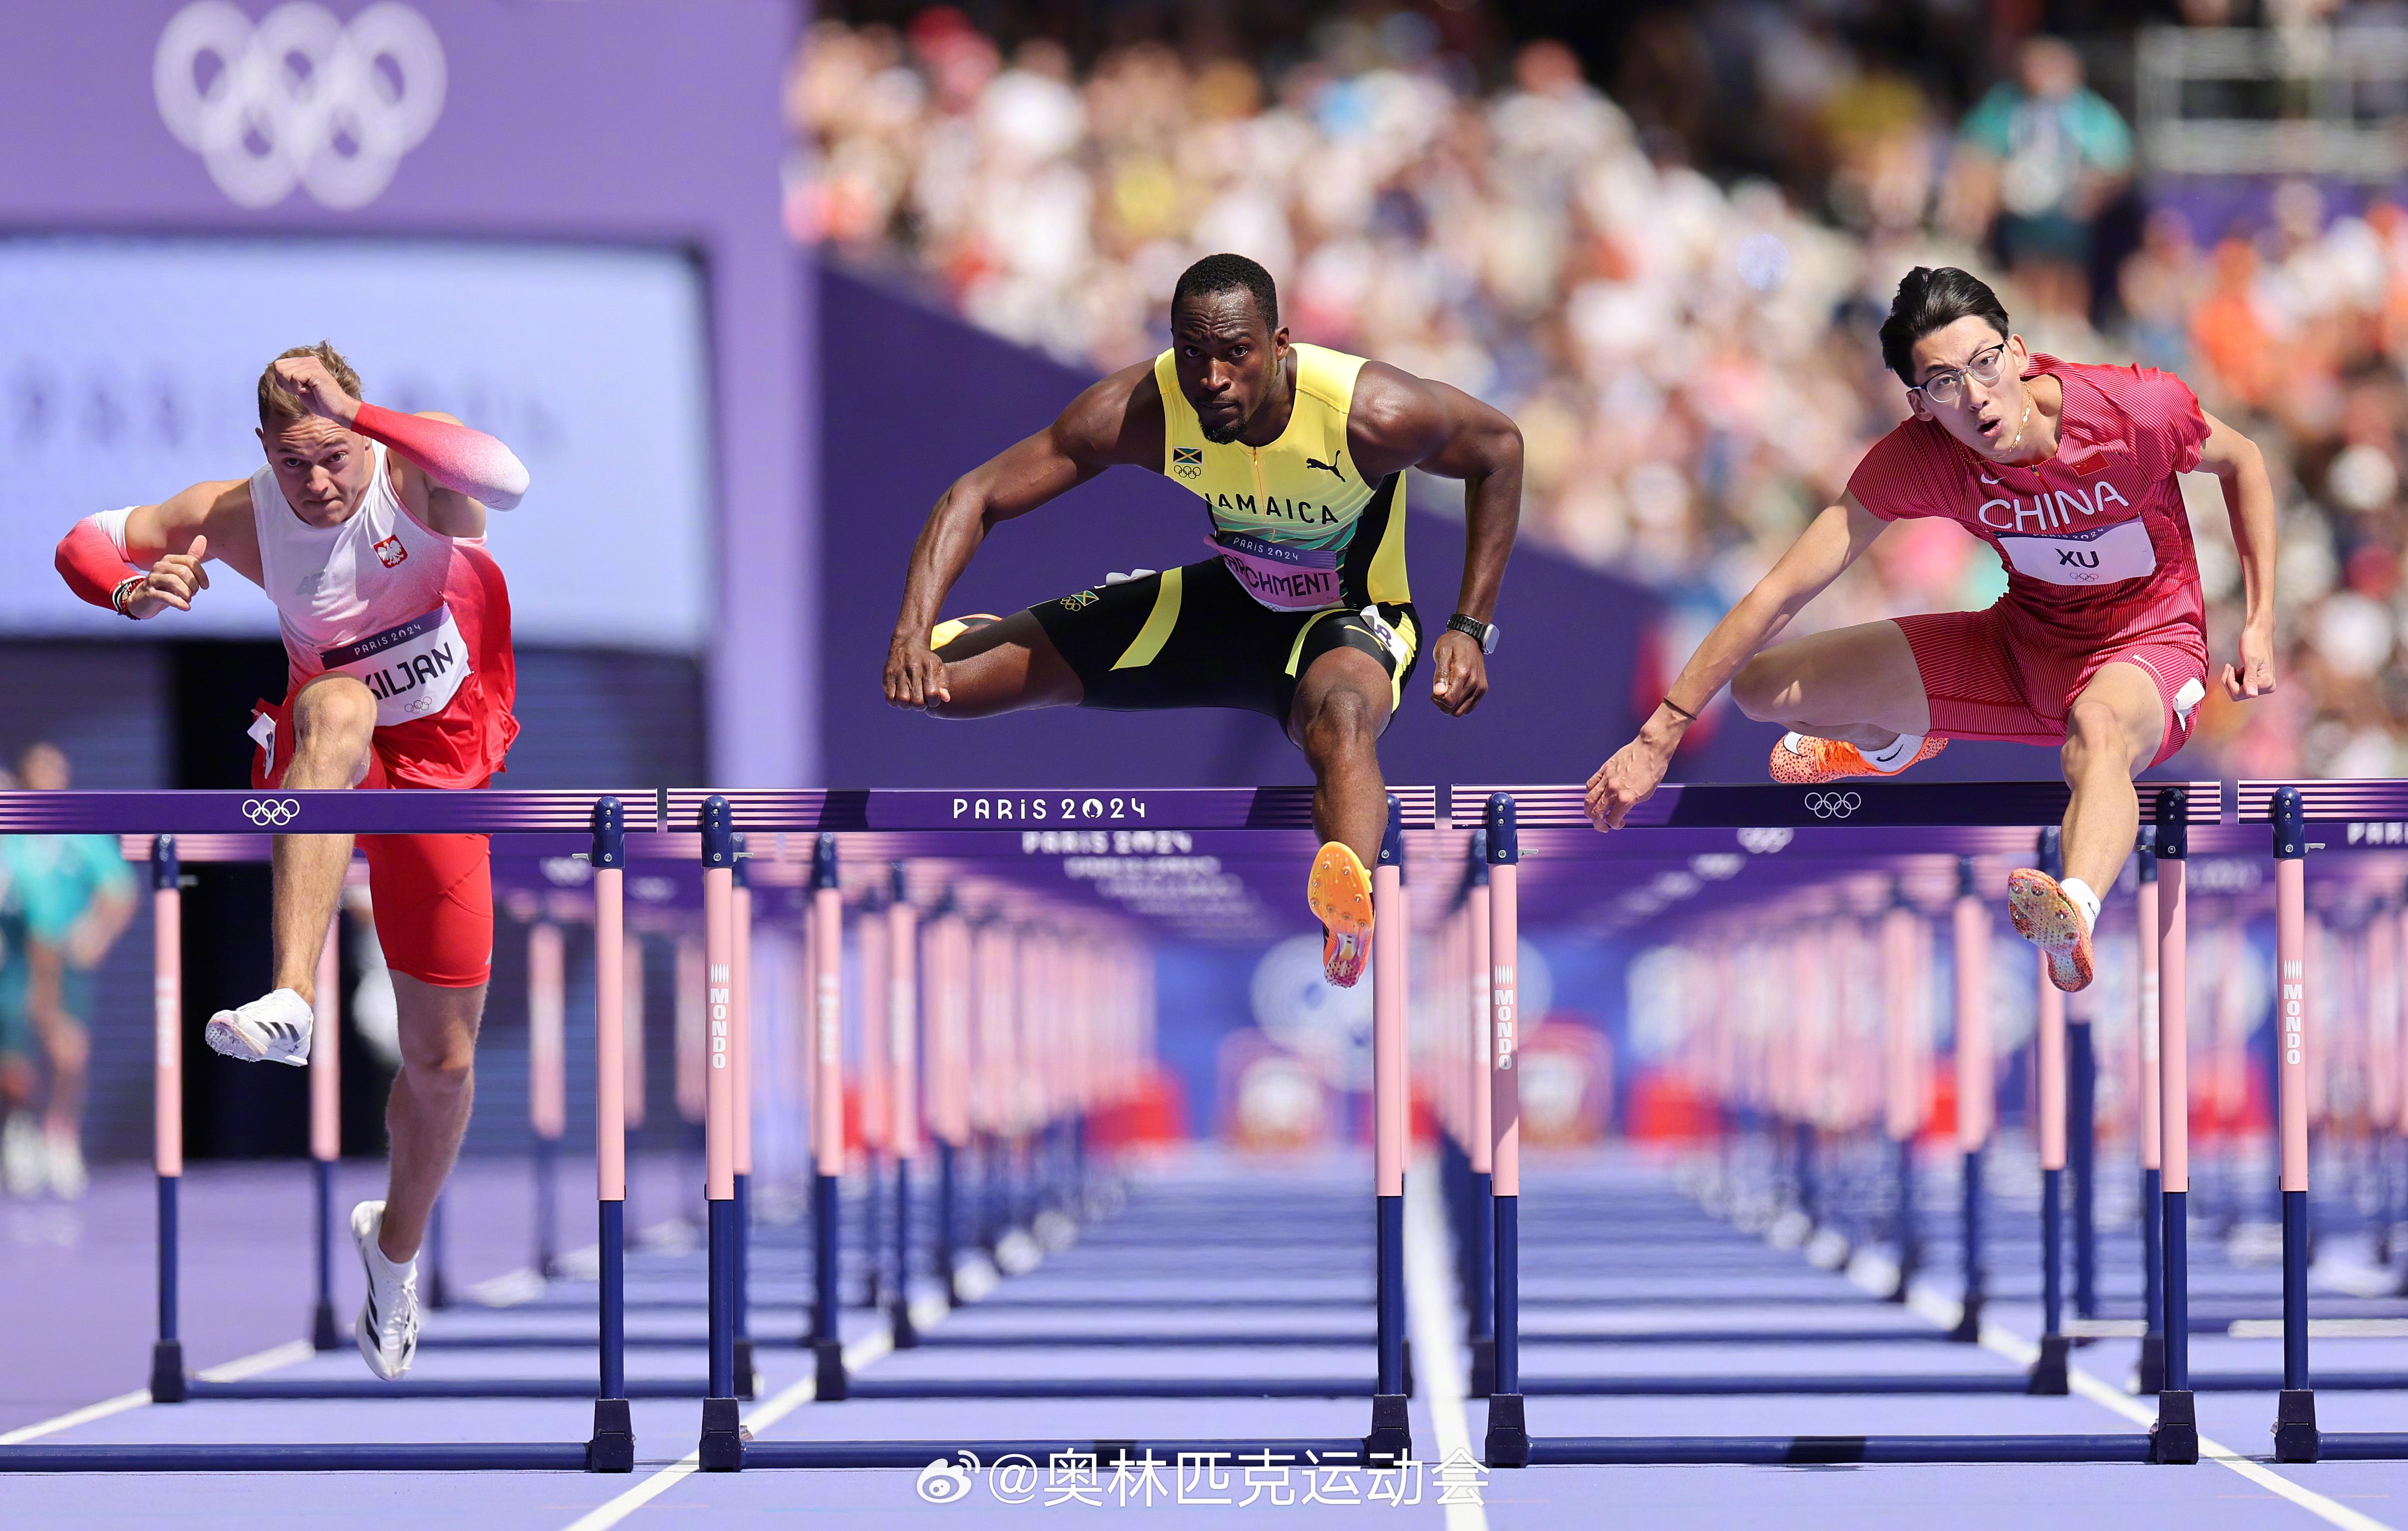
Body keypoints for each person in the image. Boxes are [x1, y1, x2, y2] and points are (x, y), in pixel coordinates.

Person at [1585, 267, 2277, 993]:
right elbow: (1783, 590)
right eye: (1945, 383)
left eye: (1984, 363)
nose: (1974, 396)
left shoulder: (2135, 410)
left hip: (2149, 647)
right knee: (1763, 688)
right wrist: (1661, 732)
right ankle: (1892, 744)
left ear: (2017, 352)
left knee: (2098, 725)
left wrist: (2259, 623)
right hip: (2023, 649)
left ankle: (2071, 912)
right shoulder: (1920, 459)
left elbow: (2245, 462)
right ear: (1919, 405)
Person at [51, 342, 529, 1378]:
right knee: (339, 704)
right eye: (292, 461)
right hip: (326, 746)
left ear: (361, 429)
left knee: (443, 1068)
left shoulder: (416, 472)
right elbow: (84, 543)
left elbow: (504, 478)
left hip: (446, 761)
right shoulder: (242, 512)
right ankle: (290, 998)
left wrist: (366, 419)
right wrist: (130, 593)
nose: (315, 484)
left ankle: (393, 1251)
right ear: (264, 449)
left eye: (332, 457)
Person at [883, 253, 1522, 986]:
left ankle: (1349, 914)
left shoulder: (1370, 414)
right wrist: (911, 633)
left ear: (1279, 346)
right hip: (1226, 607)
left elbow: (1499, 450)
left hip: (1346, 620)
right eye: (1192, 353)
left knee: (1342, 716)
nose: (1212, 379)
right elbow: (976, 495)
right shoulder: (1146, 409)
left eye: (1236, 354)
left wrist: (1470, 627)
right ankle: (974, 635)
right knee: (947, 690)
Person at [0, 744, 134, 1200]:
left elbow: (119, 891)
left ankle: (60, 1134)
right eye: (38, 771)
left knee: (69, 1052)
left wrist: (93, 936)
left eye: (55, 770)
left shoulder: (83, 835)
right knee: (14, 1062)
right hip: (17, 961)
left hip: (65, 963)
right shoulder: (10, 836)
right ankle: (19, 1131)